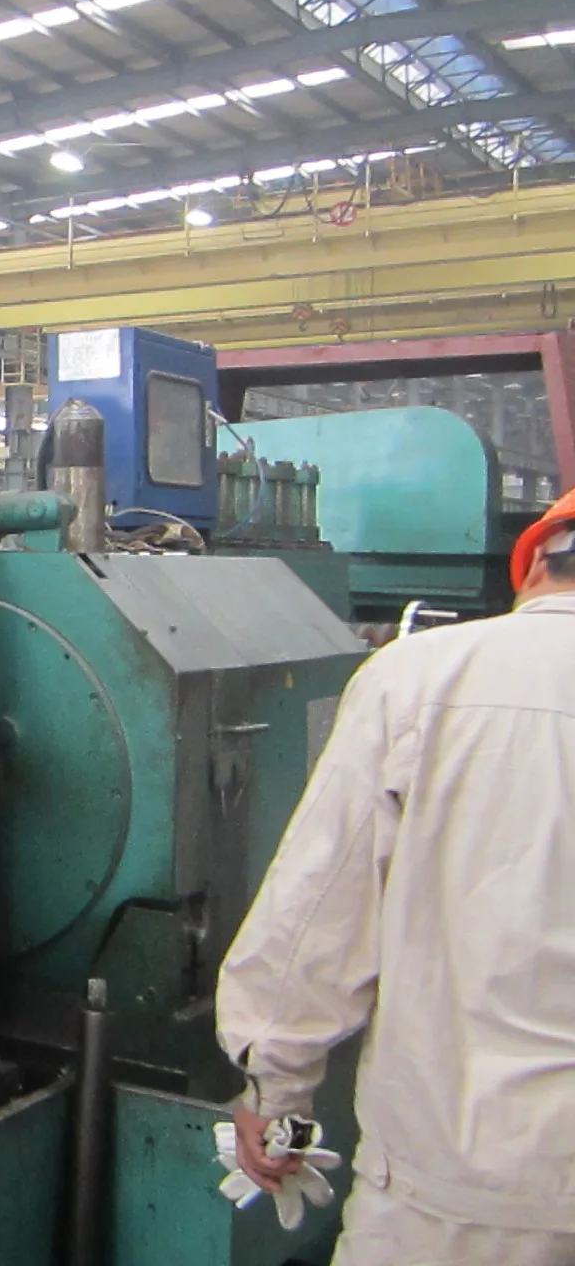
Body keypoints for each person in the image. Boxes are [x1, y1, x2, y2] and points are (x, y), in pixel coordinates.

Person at [216, 486, 575, 1265]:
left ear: (534, 564)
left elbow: (317, 909)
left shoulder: (418, 677)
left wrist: (276, 1095)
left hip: (448, 1189)